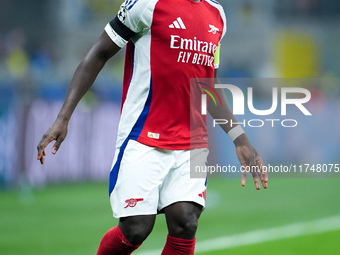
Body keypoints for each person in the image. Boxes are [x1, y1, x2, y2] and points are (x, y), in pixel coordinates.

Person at [37, 0, 268, 254]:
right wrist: (64, 116)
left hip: (192, 141)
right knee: (135, 229)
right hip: (144, 135)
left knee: (186, 222)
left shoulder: (217, 15)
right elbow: (99, 53)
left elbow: (208, 82)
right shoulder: (147, 4)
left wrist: (239, 138)